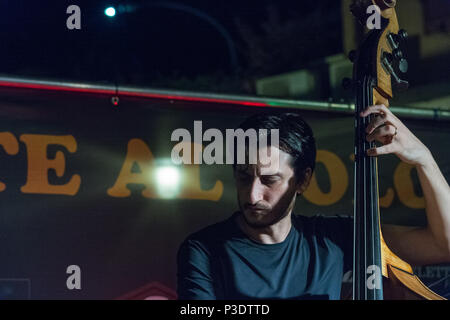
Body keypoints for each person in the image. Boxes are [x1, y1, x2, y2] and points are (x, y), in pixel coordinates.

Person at [176, 105, 450, 300]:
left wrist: (424, 159)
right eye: (244, 177)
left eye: (270, 180)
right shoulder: (203, 249)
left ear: (303, 181)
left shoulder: (335, 237)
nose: (252, 195)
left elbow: (442, 244)